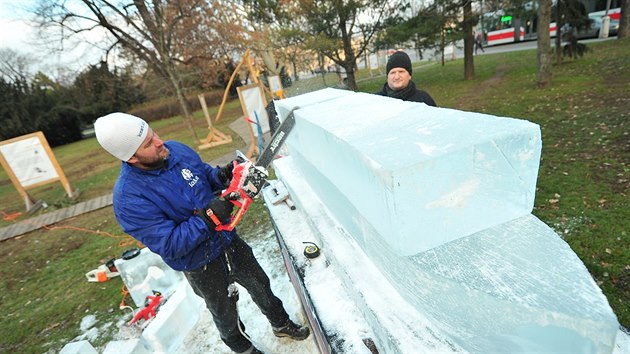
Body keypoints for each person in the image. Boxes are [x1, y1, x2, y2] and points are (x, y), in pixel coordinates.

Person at [94, 112, 309, 354]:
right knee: (225, 313)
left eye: (153, 134)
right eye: (148, 144)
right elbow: (170, 244)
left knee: (260, 283)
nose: (159, 142)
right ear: (132, 158)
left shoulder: (176, 150)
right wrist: (209, 217)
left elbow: (204, 176)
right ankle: (244, 349)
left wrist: (223, 175)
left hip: (228, 241)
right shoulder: (129, 199)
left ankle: (280, 323)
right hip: (201, 265)